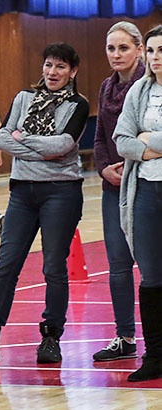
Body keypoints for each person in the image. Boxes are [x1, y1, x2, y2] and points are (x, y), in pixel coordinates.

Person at [0, 43, 89, 365]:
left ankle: (51, 336)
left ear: (72, 72)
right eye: (49, 65)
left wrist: (25, 141)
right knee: (7, 265)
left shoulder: (78, 105)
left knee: (53, 267)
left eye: (61, 67)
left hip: (60, 193)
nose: (53, 72)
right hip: (22, 193)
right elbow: (2, 138)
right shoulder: (23, 99)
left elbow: (64, 145)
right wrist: (40, 147)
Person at [92, 22, 144, 363]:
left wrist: (129, 164)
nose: (116, 55)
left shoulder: (148, 87)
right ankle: (124, 336)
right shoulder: (105, 88)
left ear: (139, 49)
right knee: (118, 265)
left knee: (153, 266)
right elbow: (98, 136)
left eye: (123, 48)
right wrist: (103, 169)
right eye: (111, 48)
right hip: (114, 188)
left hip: (146, 183)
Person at [114, 25, 162, 381]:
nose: (156, 58)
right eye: (152, 51)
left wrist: (149, 140)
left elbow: (139, 139)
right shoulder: (139, 91)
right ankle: (156, 355)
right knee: (150, 274)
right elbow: (121, 139)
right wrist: (144, 147)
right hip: (145, 191)